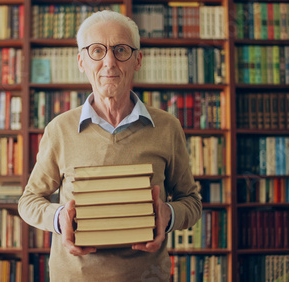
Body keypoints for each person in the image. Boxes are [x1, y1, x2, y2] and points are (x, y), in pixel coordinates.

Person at [18, 10, 202, 281]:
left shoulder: (167, 127)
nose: (109, 62)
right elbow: (28, 201)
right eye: (96, 51)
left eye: (121, 50)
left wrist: (168, 214)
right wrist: (59, 218)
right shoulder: (59, 129)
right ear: (81, 61)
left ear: (138, 59)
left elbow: (192, 202)